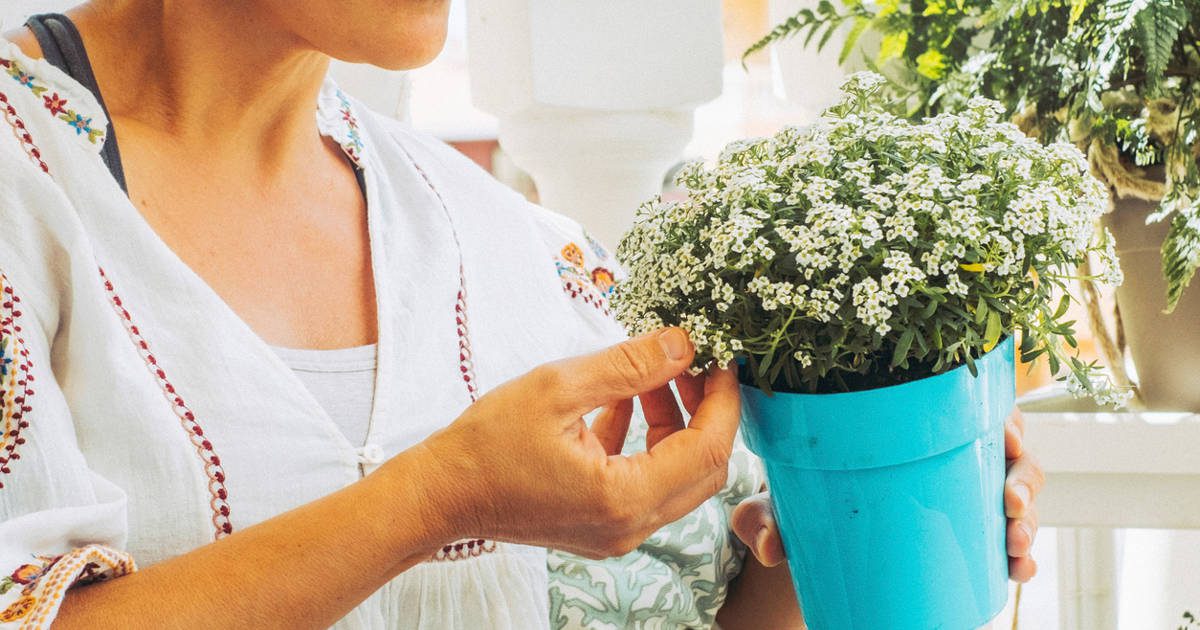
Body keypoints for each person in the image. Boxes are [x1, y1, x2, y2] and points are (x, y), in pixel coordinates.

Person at [0, 2, 1043, 628]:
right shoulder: (26, 182)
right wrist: (439, 500)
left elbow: (707, 608)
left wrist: (840, 521)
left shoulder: (499, 242)